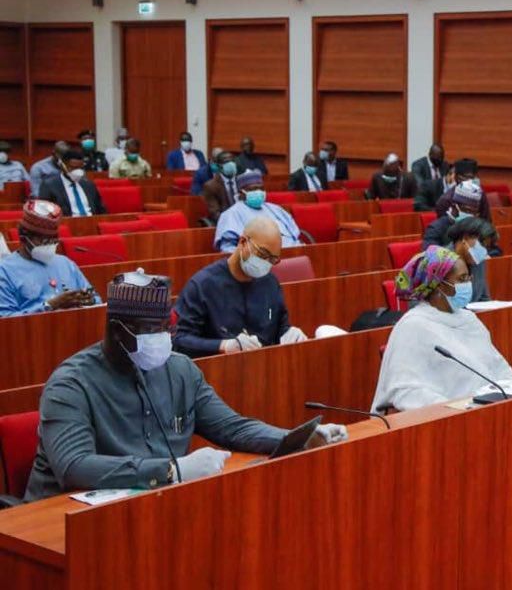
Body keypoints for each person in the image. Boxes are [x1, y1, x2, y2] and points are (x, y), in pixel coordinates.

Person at [23, 270, 346, 502]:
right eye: (152, 330)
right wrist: (171, 470)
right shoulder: (71, 384)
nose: (163, 339)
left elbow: (231, 427)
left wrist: (296, 438)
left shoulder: (179, 369)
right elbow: (74, 466)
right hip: (61, 518)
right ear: (117, 330)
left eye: (167, 328)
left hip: (152, 505)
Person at [371, 246, 512, 412]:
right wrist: (454, 409)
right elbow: (405, 391)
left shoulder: (468, 319)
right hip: (449, 418)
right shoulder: (412, 326)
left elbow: (498, 366)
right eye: (461, 279)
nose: (468, 284)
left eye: (468, 277)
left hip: (488, 410)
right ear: (438, 285)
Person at [174, 217, 308, 357]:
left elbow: (280, 326)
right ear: (243, 242)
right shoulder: (202, 285)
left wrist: (290, 333)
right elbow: (179, 340)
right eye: (262, 254)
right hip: (220, 369)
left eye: (273, 259)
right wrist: (223, 346)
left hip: (264, 366)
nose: (266, 263)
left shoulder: (270, 283)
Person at [0, 200, 100, 317]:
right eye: (44, 240)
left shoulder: (66, 264)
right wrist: (50, 306)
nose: (50, 244)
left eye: (53, 240)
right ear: (23, 237)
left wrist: (87, 301)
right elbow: (6, 320)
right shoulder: (5, 271)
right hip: (33, 333)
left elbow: (96, 301)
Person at [214, 169, 301, 252]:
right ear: (241, 192)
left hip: (293, 253)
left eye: (261, 189)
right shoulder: (231, 214)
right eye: (253, 189)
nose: (258, 192)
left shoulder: (275, 209)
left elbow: (294, 235)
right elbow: (228, 248)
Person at [38, 149, 107, 217]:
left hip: (91, 223)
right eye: (74, 168)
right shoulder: (49, 186)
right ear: (63, 166)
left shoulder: (88, 185)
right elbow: (45, 213)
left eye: (80, 168)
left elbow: (101, 210)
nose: (78, 171)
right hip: (68, 224)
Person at [445, 217, 497, 304]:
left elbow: (484, 298)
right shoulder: (440, 261)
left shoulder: (479, 262)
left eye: (487, 247)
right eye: (482, 245)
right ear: (465, 238)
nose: (484, 251)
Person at [423, 181, 485, 249]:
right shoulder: (436, 228)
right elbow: (429, 255)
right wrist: (459, 245)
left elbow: (494, 251)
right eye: (467, 211)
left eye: (474, 212)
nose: (471, 215)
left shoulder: (479, 227)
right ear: (454, 206)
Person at [201, 151, 240, 223]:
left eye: (232, 161)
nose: (230, 164)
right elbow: (215, 213)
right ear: (219, 166)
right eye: (226, 162)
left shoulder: (242, 181)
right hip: (226, 223)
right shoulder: (210, 186)